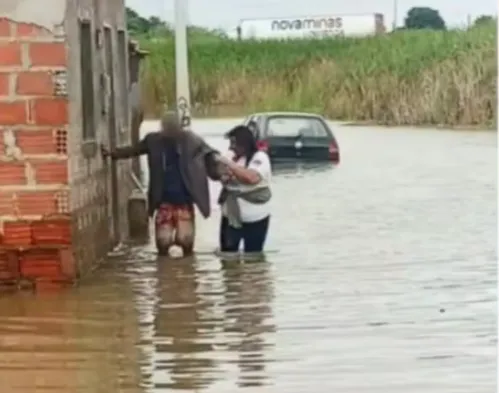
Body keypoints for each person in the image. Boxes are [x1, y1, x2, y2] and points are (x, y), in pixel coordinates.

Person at [102, 111, 222, 256]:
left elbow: (209, 153)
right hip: (163, 200)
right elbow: (134, 150)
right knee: (163, 243)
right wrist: (113, 153)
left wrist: (218, 170)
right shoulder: (153, 141)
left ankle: (185, 272)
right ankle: (166, 273)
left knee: (185, 241)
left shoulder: (191, 140)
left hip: (184, 201)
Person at [217, 125, 272, 253]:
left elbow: (251, 178)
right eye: (230, 143)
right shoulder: (232, 157)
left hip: (256, 219)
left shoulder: (260, 157)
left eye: (234, 143)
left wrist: (231, 165)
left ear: (245, 143)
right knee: (228, 257)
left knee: (253, 258)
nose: (232, 147)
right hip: (230, 217)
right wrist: (222, 169)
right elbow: (220, 175)